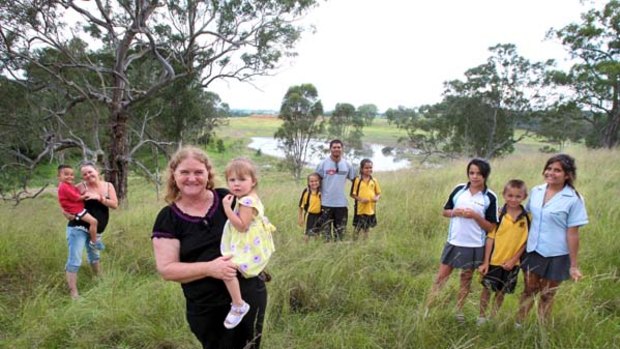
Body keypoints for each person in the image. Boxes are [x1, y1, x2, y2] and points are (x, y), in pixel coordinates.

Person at [152, 147, 267, 349]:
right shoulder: (168, 219)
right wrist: (209, 268)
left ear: (208, 174)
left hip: (249, 294)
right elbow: (166, 269)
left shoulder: (228, 199)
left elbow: (253, 228)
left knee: (251, 345)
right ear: (174, 176)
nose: (192, 178)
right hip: (206, 307)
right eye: (184, 172)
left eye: (198, 172)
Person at [516, 154, 588, 326]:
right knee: (528, 290)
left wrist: (573, 265)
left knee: (547, 294)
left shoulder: (574, 199)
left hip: (557, 254)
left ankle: (542, 330)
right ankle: (518, 325)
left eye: (557, 170)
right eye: (549, 169)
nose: (551, 173)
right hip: (533, 250)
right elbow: (522, 216)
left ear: (567, 175)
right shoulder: (536, 191)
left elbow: (573, 233)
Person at [428, 158, 498, 323]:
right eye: (471, 173)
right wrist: (455, 212)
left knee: (466, 279)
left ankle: (458, 311)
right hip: (454, 242)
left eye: (479, 174)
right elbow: (445, 211)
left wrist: (475, 216)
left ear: (485, 175)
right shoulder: (459, 190)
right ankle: (428, 309)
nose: (474, 177)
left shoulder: (490, 197)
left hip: (475, 245)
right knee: (441, 277)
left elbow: (490, 227)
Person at [220, 158, 275, 329]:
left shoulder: (246, 201)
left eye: (242, 179)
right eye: (232, 180)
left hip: (248, 242)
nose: (236, 184)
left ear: (253, 181)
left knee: (227, 269)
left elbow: (242, 226)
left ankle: (238, 304)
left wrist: (227, 209)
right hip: (255, 240)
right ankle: (256, 271)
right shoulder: (251, 196)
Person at [477, 179, 530, 325]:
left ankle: (493, 318)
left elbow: (526, 242)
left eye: (518, 196)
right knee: (487, 289)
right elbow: (490, 239)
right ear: (504, 195)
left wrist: (514, 260)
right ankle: (481, 317)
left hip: (513, 264)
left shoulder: (527, 217)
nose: (513, 199)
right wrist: (486, 261)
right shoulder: (498, 214)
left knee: (501, 292)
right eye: (510, 195)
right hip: (494, 260)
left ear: (524, 197)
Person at [64, 161, 118, 299]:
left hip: (97, 230)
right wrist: (67, 214)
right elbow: (65, 202)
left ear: (97, 171)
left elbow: (114, 205)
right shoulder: (80, 187)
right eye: (84, 174)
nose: (88, 175)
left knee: (94, 255)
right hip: (78, 227)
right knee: (75, 259)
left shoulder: (108, 186)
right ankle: (73, 293)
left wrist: (99, 198)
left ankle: (98, 278)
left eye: (90, 172)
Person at [314, 139, 356, 241]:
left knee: (340, 235)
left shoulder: (347, 165)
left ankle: (338, 253)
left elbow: (355, 181)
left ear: (342, 149)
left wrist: (355, 195)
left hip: (341, 205)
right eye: (334, 147)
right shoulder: (322, 164)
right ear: (330, 149)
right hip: (325, 204)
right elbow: (315, 182)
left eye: (339, 147)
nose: (336, 149)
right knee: (326, 236)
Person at [57, 164, 103, 251]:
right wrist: (85, 196)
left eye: (71, 174)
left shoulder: (69, 185)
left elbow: (75, 193)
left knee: (93, 222)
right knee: (94, 222)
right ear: (59, 176)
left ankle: (92, 239)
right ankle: (94, 242)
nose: (69, 177)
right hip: (75, 209)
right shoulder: (64, 186)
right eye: (66, 174)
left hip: (77, 208)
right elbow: (75, 197)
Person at [349, 159, 381, 239]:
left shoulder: (374, 180)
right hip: (360, 209)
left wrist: (376, 198)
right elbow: (352, 194)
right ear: (361, 169)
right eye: (366, 168)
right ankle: (354, 241)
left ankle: (365, 242)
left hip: (370, 209)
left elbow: (378, 193)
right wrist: (361, 199)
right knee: (357, 227)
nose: (369, 169)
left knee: (367, 228)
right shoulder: (357, 180)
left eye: (370, 167)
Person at [298, 172, 322, 242]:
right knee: (307, 233)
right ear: (308, 182)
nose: (314, 183)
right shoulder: (306, 191)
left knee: (317, 233)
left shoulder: (322, 191)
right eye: (311, 181)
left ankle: (316, 246)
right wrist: (300, 218)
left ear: (319, 181)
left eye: (316, 181)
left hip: (320, 215)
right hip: (309, 215)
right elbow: (301, 206)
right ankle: (305, 246)